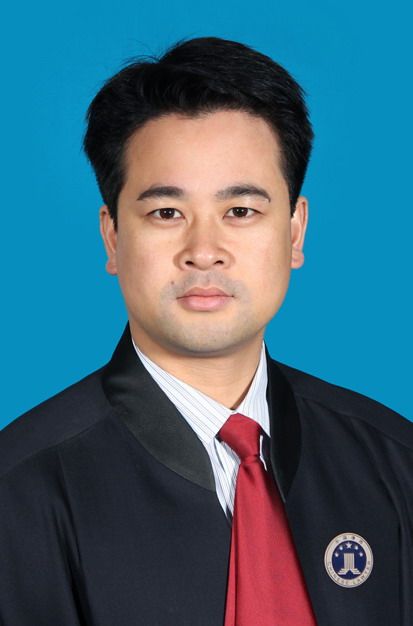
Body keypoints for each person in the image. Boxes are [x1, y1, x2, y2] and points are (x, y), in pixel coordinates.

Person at [1, 36, 412, 626]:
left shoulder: (394, 461)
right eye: (166, 212)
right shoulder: (19, 490)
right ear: (112, 237)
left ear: (295, 231)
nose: (203, 250)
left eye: (240, 211)